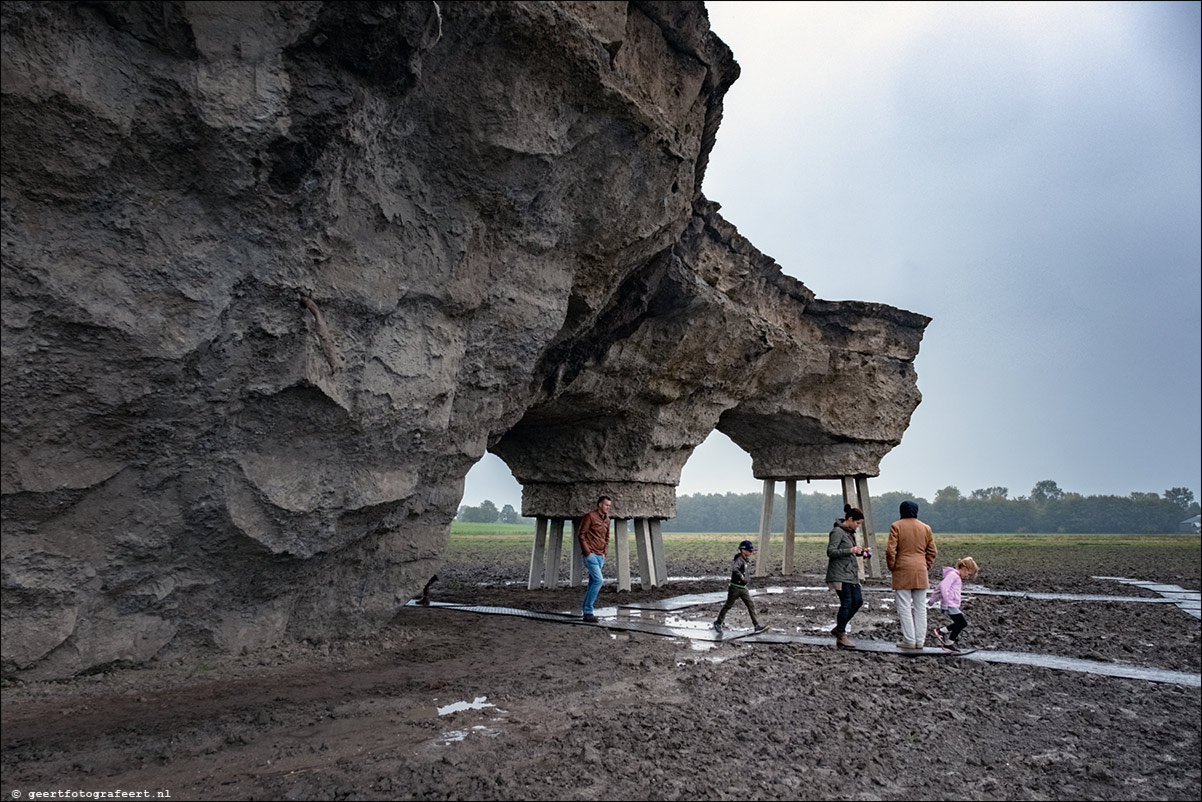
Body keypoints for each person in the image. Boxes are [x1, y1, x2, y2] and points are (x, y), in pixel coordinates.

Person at [886, 500, 938, 650]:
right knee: (921, 607)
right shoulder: (926, 528)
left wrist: (893, 566)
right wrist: (925, 565)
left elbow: (891, 551)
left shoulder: (896, 526)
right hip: (921, 570)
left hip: (902, 569)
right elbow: (932, 551)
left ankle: (909, 639)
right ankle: (920, 640)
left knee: (904, 607)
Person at [826, 504, 867, 648]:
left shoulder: (849, 533)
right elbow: (831, 551)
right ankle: (841, 635)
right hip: (839, 574)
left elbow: (848, 551)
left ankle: (839, 628)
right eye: (857, 523)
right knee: (847, 603)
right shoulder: (837, 532)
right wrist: (850, 550)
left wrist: (861, 552)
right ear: (850, 519)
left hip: (850, 574)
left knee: (858, 601)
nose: (857, 526)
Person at [713, 540, 769, 634]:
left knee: (750, 605)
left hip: (743, 588)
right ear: (743, 550)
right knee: (728, 605)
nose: (751, 552)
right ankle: (718, 622)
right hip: (735, 587)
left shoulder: (745, 559)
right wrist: (740, 575)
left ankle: (756, 626)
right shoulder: (739, 559)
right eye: (749, 550)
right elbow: (735, 568)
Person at [928, 557, 980, 652]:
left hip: (952, 604)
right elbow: (942, 586)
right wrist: (942, 601)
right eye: (968, 574)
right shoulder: (953, 575)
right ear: (965, 568)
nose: (967, 577)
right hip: (950, 604)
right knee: (962, 623)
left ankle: (944, 634)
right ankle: (945, 637)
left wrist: (933, 600)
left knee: (961, 623)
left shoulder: (956, 576)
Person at [577, 495, 612, 622]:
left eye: (609, 505)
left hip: (600, 556)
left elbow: (607, 538)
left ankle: (586, 612)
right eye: (606, 505)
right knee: (599, 581)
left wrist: (604, 553)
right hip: (591, 555)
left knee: (593, 583)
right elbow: (581, 535)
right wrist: (587, 553)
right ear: (600, 505)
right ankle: (588, 610)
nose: (608, 507)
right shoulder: (590, 516)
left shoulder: (607, 520)